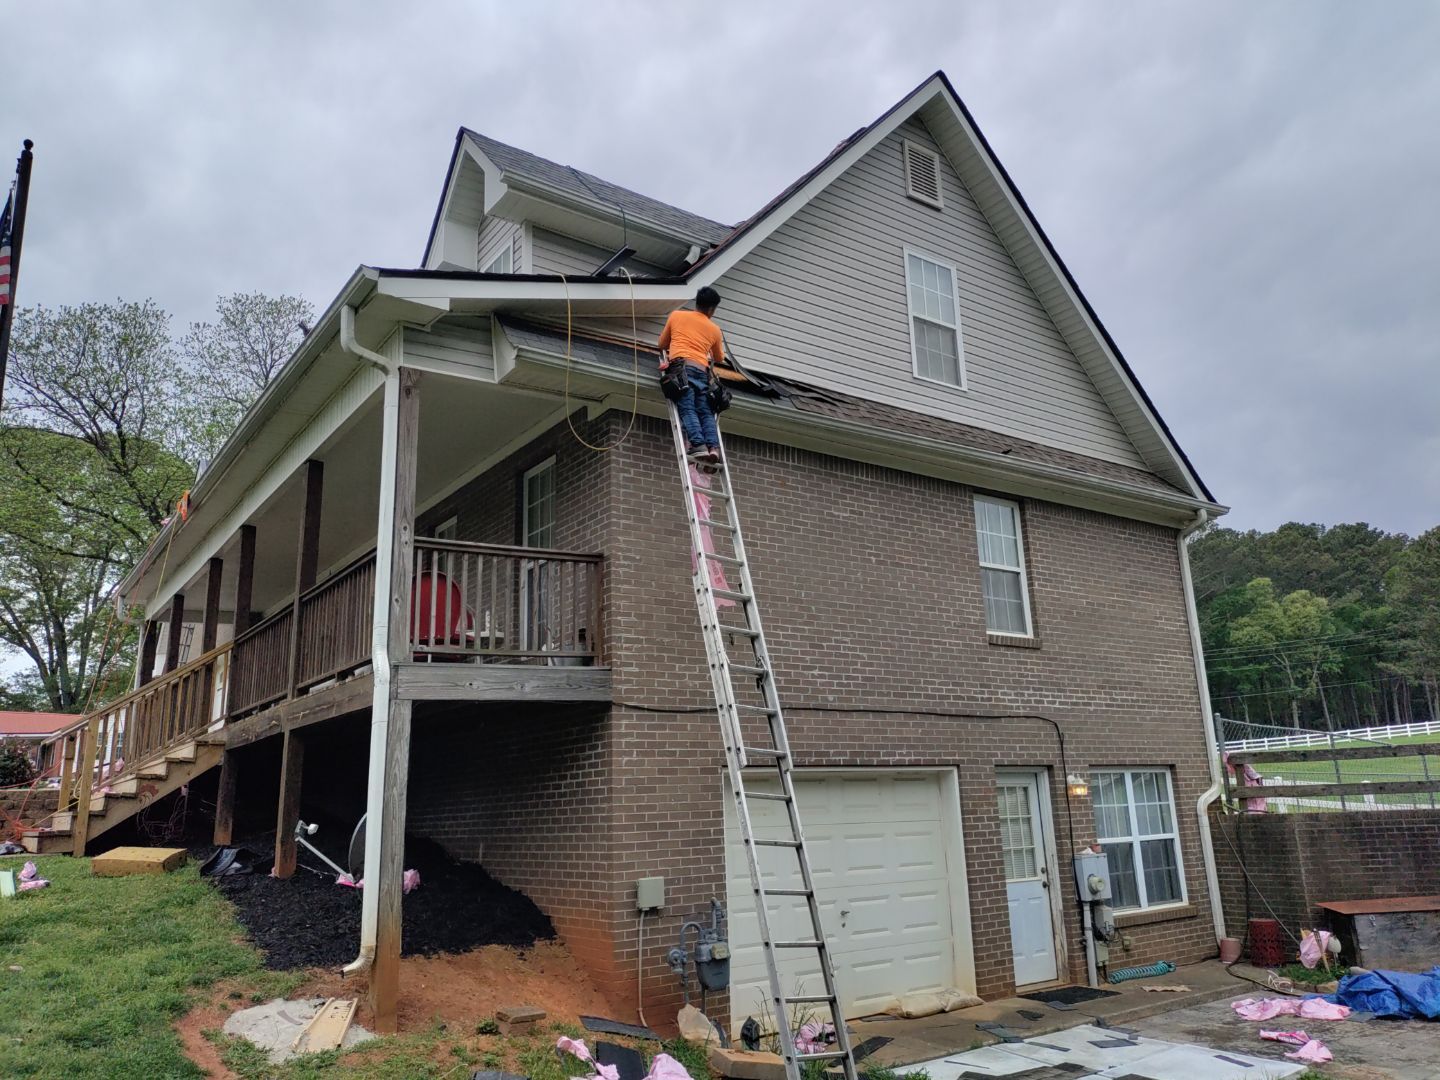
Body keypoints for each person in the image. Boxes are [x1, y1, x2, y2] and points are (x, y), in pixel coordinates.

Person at [658, 286, 726, 464]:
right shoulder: (715, 329)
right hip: (702, 372)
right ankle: (713, 448)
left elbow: (662, 343)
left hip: (682, 369)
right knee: (705, 412)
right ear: (712, 309)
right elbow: (719, 357)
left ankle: (698, 445)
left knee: (687, 407)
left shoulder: (677, 315)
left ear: (697, 302)